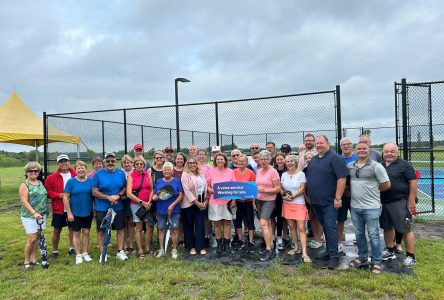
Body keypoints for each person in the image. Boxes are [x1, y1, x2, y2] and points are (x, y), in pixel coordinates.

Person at [347, 142, 390, 274]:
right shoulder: (349, 167)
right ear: (355, 151)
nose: (361, 151)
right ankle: (362, 256)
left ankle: (376, 261)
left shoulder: (376, 166)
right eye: (358, 149)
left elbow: (386, 184)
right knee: (359, 234)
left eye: (364, 149)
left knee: (374, 235)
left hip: (372, 207)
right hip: (355, 207)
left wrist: (373, 193)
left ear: (369, 150)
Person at [305, 135, 347, 269]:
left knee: (330, 227)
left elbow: (341, 179)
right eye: (317, 143)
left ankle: (334, 257)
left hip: (330, 202)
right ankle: (329, 251)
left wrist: (338, 197)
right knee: (325, 227)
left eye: (321, 143)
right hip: (316, 202)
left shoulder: (335, 158)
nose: (318, 145)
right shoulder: (314, 159)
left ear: (328, 143)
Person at [380, 143, 418, 268]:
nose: (389, 154)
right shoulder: (380, 165)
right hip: (384, 202)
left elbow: (413, 181)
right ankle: (389, 250)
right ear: (383, 152)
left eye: (392, 151)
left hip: (400, 202)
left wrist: (411, 200)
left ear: (397, 152)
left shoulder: (404, 165)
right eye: (386, 151)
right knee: (387, 227)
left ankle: (411, 256)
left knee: (405, 228)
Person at [92, 152, 128, 262]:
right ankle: (103, 253)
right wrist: (108, 197)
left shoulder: (120, 173)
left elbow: (124, 188)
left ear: (115, 161)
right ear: (104, 162)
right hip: (102, 207)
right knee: (101, 230)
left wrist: (118, 196)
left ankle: (120, 251)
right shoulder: (98, 174)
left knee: (121, 229)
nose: (110, 163)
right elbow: (94, 191)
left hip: (118, 206)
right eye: (108, 161)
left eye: (112, 160)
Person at [44, 154, 76, 258]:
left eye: (65, 161)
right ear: (58, 163)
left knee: (72, 229)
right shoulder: (51, 177)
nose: (63, 164)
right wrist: (59, 195)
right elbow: (48, 192)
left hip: (73, 207)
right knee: (57, 230)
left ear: (69, 162)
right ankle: (55, 251)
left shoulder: (75, 174)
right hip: (59, 208)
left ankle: (72, 248)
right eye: (61, 162)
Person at [281, 155, 311, 263]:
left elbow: (303, 188)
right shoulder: (283, 175)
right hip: (287, 204)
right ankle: (296, 247)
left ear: (295, 162)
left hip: (299, 204)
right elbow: (281, 188)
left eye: (291, 161)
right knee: (292, 227)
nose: (289, 163)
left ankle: (304, 252)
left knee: (301, 228)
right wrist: (284, 195)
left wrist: (293, 196)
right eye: (287, 161)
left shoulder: (301, 174)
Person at [63, 160, 95, 264]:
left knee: (86, 232)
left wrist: (94, 210)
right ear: (75, 170)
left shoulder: (91, 181)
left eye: (83, 167)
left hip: (88, 212)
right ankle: (78, 255)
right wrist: (69, 213)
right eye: (78, 168)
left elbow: (94, 196)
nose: (81, 169)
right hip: (75, 213)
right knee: (76, 233)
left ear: (86, 169)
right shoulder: (71, 182)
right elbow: (66, 197)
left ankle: (85, 253)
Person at [19, 162, 48, 268]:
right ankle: (26, 260)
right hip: (29, 216)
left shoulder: (40, 183)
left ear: (39, 172)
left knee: (38, 237)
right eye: (30, 171)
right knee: (31, 238)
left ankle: (33, 258)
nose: (33, 172)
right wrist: (34, 213)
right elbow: (24, 201)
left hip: (41, 215)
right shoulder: (24, 185)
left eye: (35, 171)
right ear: (26, 172)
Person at [152, 162, 183, 259]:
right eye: (165, 169)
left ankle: (174, 250)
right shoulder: (159, 181)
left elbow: (181, 195)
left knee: (174, 230)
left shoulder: (177, 181)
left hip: (174, 210)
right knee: (161, 230)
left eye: (169, 169)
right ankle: (162, 250)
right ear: (163, 171)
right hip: (161, 210)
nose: (167, 171)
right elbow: (155, 193)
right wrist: (154, 197)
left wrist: (172, 205)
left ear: (172, 171)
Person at [206, 153, 236, 253]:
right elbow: (208, 186)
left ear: (225, 161)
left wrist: (234, 200)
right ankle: (219, 244)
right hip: (214, 201)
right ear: (215, 161)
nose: (219, 161)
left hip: (227, 201)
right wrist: (211, 190)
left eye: (221, 159)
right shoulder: (211, 171)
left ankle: (227, 244)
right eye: (217, 159)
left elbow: (234, 187)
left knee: (227, 222)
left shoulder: (230, 171)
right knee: (217, 223)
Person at [126, 156, 153, 259]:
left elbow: (152, 189)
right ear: (134, 165)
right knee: (139, 227)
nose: (139, 166)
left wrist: (149, 202)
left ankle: (147, 248)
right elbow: (129, 193)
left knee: (149, 227)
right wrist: (142, 202)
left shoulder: (147, 174)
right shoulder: (131, 176)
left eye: (141, 164)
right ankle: (140, 249)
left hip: (148, 204)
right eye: (137, 164)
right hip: (136, 204)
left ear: (144, 165)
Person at [256, 150, 281, 261]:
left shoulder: (273, 171)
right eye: (261, 159)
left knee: (263, 223)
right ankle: (270, 244)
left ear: (269, 160)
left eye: (265, 159)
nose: (263, 161)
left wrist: (265, 190)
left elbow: (278, 188)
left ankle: (268, 250)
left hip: (269, 200)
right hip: (259, 200)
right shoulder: (258, 171)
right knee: (268, 224)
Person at [181, 157, 208, 255]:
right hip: (189, 204)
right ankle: (191, 246)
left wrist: (206, 200)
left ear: (197, 164)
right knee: (189, 226)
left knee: (200, 225)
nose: (192, 164)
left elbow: (205, 188)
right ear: (187, 164)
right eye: (190, 163)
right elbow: (186, 191)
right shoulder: (185, 175)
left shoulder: (201, 174)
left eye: (194, 163)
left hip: (201, 202)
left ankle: (201, 247)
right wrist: (196, 202)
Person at [232, 154, 256, 252]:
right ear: (237, 162)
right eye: (239, 161)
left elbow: (254, 189)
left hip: (248, 201)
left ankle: (250, 240)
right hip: (237, 201)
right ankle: (240, 239)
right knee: (238, 221)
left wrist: (254, 203)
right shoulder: (233, 172)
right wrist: (233, 200)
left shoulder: (251, 173)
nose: (241, 162)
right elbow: (231, 187)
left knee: (250, 220)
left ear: (246, 162)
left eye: (243, 161)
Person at [337, 137, 357, 254]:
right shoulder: (337, 159)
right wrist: (343, 191)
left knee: (357, 218)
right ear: (340, 147)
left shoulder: (357, 158)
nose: (346, 146)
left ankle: (359, 239)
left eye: (348, 144)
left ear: (351, 145)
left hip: (355, 193)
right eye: (343, 144)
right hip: (341, 194)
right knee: (340, 219)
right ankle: (339, 242)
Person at [273, 154, 288, 251]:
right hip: (276, 198)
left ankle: (285, 237)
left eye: (281, 159)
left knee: (285, 219)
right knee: (278, 217)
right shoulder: (273, 171)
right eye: (277, 159)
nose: (279, 161)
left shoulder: (288, 171)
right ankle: (278, 237)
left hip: (288, 198)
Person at [121, 155, 135, 254]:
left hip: (133, 199)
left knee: (131, 222)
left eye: (129, 162)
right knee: (124, 223)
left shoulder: (135, 172)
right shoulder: (119, 173)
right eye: (125, 162)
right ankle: (124, 245)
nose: (127, 164)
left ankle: (131, 244)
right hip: (122, 200)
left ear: (132, 163)